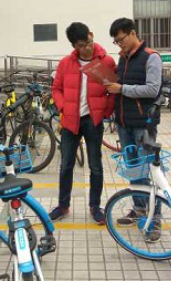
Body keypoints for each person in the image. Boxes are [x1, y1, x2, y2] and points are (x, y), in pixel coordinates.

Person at [50, 23, 116, 225]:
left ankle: (95, 206)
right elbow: (56, 89)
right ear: (74, 45)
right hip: (70, 120)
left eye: (88, 42)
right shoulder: (66, 63)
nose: (86, 48)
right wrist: (63, 107)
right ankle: (63, 205)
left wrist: (105, 112)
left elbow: (112, 91)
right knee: (66, 165)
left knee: (95, 165)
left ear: (91, 35)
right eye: (81, 45)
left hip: (93, 121)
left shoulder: (106, 61)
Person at [105, 18, 163, 241]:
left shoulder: (151, 57)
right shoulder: (123, 58)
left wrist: (121, 88)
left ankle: (155, 219)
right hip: (124, 123)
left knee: (149, 172)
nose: (119, 44)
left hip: (143, 125)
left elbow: (152, 89)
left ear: (132, 33)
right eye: (116, 42)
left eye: (121, 39)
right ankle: (139, 209)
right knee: (133, 170)